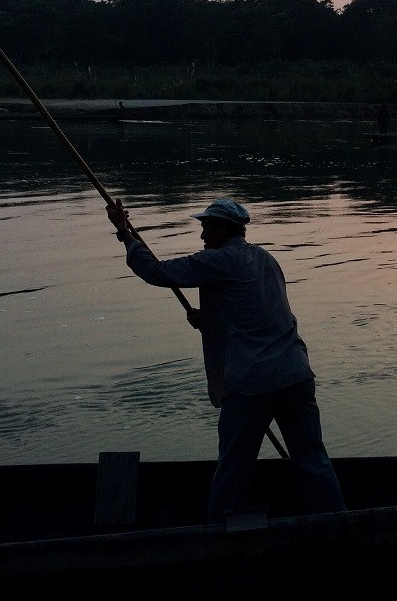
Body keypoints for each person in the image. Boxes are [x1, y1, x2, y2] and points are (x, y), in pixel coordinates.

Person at [106, 196, 346, 523]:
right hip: (295, 374)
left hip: (252, 384)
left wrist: (124, 233)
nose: (202, 236)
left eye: (206, 228)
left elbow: (157, 272)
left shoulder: (218, 261)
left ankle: (218, 537)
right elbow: (257, 316)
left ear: (223, 229)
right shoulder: (265, 259)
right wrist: (208, 320)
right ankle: (338, 524)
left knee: (232, 469)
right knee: (313, 462)